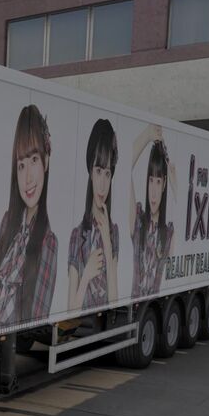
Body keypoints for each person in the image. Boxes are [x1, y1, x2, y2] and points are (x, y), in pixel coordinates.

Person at [0, 104, 59, 329]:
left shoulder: (48, 243)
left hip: (18, 335)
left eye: (34, 160)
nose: (27, 178)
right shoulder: (8, 222)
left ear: (46, 161)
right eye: (21, 165)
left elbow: (36, 318)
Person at [68, 118, 120, 311]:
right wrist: (86, 275)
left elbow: (114, 302)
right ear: (90, 171)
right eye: (98, 171)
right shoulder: (77, 235)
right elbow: (70, 310)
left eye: (107, 173)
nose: (103, 185)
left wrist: (107, 241)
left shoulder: (113, 232)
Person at [129, 124, 177, 297]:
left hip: (156, 302)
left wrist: (174, 182)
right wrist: (147, 135)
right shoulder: (138, 222)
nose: (154, 192)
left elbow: (186, 213)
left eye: (158, 181)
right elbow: (124, 165)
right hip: (135, 301)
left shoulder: (169, 234)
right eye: (151, 180)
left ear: (164, 185)